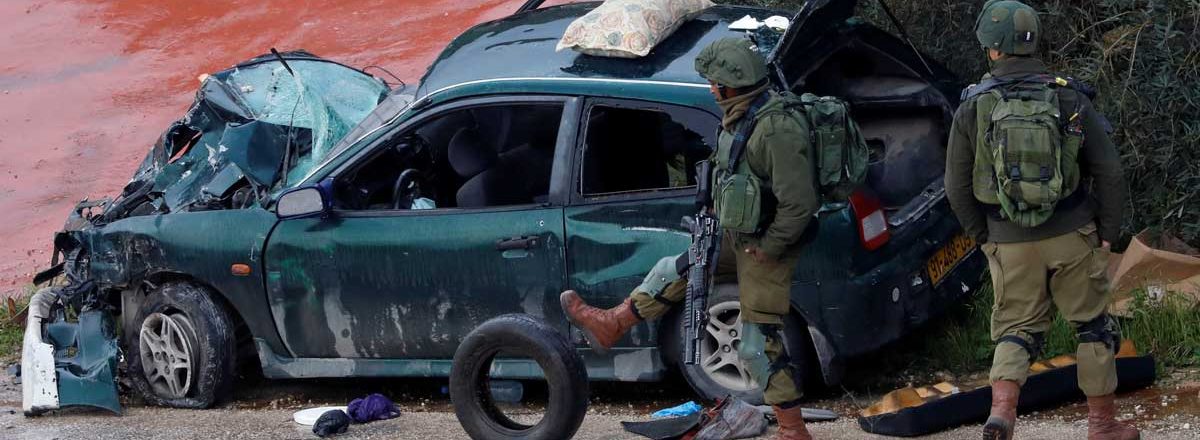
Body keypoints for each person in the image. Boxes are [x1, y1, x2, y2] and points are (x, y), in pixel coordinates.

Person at [559, 37, 819, 440]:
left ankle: (793, 431)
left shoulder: (777, 128)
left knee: (754, 345)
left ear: (734, 86)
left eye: (716, 83)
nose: (712, 89)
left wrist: (768, 249)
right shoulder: (742, 114)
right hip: (742, 232)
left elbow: (799, 206)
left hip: (770, 244)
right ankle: (614, 323)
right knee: (675, 268)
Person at [944, 1, 1133, 439]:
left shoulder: (972, 105)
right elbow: (1110, 171)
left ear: (992, 50)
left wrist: (985, 239)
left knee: (1015, 329)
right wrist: (1107, 233)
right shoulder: (1068, 95)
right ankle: (1103, 426)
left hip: (1007, 242)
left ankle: (1003, 414)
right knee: (1094, 327)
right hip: (1072, 232)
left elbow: (954, 186)